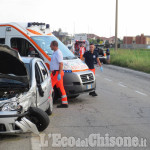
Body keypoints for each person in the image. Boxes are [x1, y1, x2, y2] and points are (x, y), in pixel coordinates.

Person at [50, 41, 68, 108]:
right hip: (56, 73)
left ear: (54, 46)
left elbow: (61, 63)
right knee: (61, 88)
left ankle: (48, 103)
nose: (50, 46)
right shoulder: (55, 52)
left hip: (57, 73)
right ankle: (64, 103)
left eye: (51, 45)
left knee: (49, 87)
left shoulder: (58, 53)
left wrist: (59, 73)